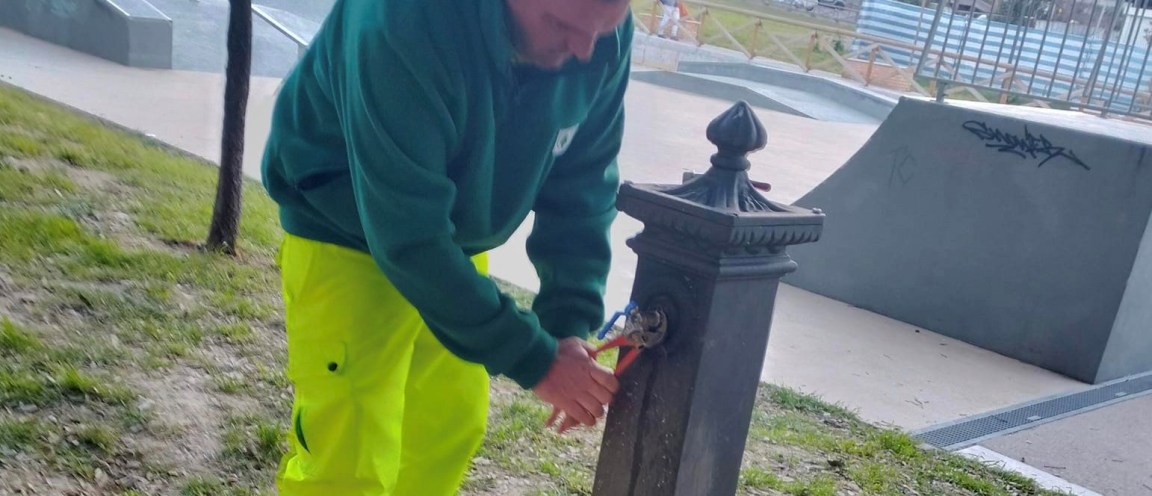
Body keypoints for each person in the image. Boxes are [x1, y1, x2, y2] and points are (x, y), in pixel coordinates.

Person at [259, 0, 634, 493]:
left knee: (446, 425)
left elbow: (583, 185)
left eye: (602, 29)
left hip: (450, 239)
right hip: (345, 227)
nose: (585, 51)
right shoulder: (400, 19)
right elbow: (408, 235)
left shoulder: (596, 33)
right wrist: (537, 361)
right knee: (349, 452)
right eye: (560, 24)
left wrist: (567, 324)